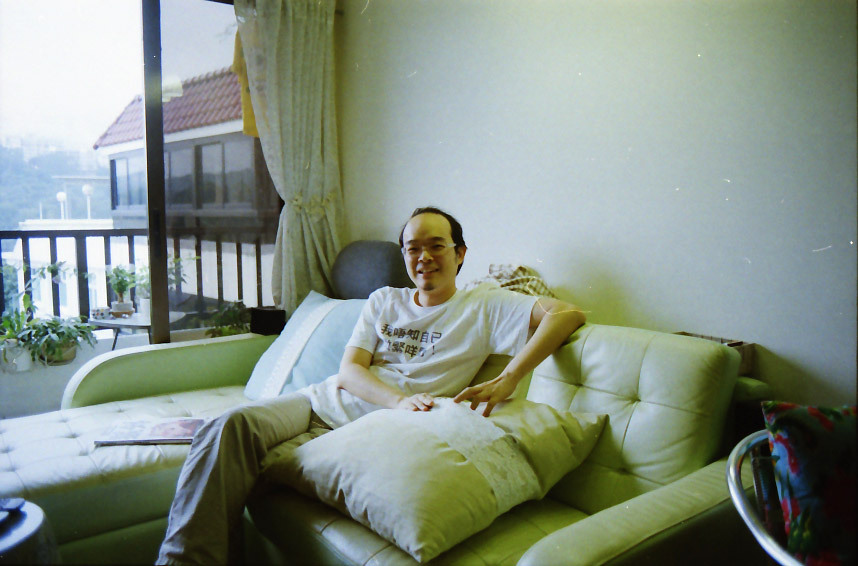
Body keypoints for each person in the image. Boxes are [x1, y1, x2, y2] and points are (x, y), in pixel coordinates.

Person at [157, 207, 585, 565]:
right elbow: (349, 371)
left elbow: (566, 314)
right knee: (227, 428)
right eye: (413, 248)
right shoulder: (384, 300)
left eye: (436, 245)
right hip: (319, 403)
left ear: (460, 253)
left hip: (367, 432)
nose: (424, 257)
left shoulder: (485, 306)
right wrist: (399, 400)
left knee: (253, 473)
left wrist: (508, 378)